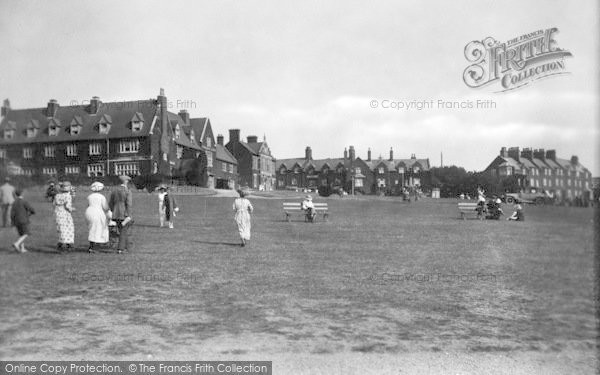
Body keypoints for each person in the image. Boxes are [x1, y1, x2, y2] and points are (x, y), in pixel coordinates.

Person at [109, 175, 133, 254]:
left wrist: (113, 211)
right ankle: (121, 249)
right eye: (127, 181)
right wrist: (129, 215)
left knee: (121, 230)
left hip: (116, 213)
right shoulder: (127, 191)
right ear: (125, 181)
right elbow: (129, 204)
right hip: (124, 213)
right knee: (123, 231)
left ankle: (126, 247)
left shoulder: (114, 190)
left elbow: (111, 203)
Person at [85, 181, 110, 253]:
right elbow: (105, 207)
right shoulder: (101, 197)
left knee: (91, 228)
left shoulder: (89, 196)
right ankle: (94, 247)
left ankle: (92, 245)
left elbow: (88, 205)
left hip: (89, 212)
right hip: (97, 213)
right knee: (97, 229)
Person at [10, 188, 35, 253]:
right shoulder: (24, 201)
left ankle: (22, 248)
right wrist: (30, 214)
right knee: (26, 233)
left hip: (16, 221)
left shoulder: (14, 202)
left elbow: (12, 213)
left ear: (15, 194)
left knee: (21, 234)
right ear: (22, 193)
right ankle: (17, 243)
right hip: (23, 220)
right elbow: (32, 210)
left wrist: (12, 222)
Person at [54, 181, 75, 253]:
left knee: (61, 229)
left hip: (58, 214)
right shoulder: (68, 196)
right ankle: (66, 245)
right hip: (65, 214)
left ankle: (61, 244)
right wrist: (72, 209)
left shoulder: (57, 195)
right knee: (68, 229)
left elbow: (54, 204)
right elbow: (68, 206)